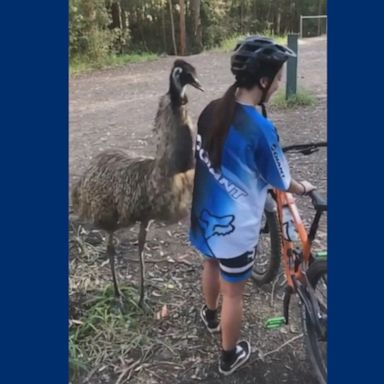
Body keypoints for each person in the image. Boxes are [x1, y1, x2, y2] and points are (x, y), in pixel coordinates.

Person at [189, 35, 316, 376]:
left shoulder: (210, 111)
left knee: (210, 265)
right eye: (276, 79)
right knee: (235, 295)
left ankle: (210, 315)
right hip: (235, 229)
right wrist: (303, 187)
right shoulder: (260, 128)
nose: (277, 84)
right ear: (262, 81)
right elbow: (280, 180)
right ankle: (229, 357)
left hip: (204, 217)